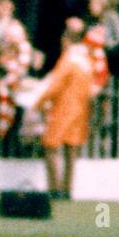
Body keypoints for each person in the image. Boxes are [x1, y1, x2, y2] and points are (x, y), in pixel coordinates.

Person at [35, 27, 96, 200]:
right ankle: (67, 189)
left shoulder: (68, 60)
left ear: (66, 41)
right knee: (71, 149)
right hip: (81, 110)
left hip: (64, 108)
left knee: (51, 147)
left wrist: (38, 102)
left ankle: (55, 189)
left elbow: (55, 85)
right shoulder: (86, 61)